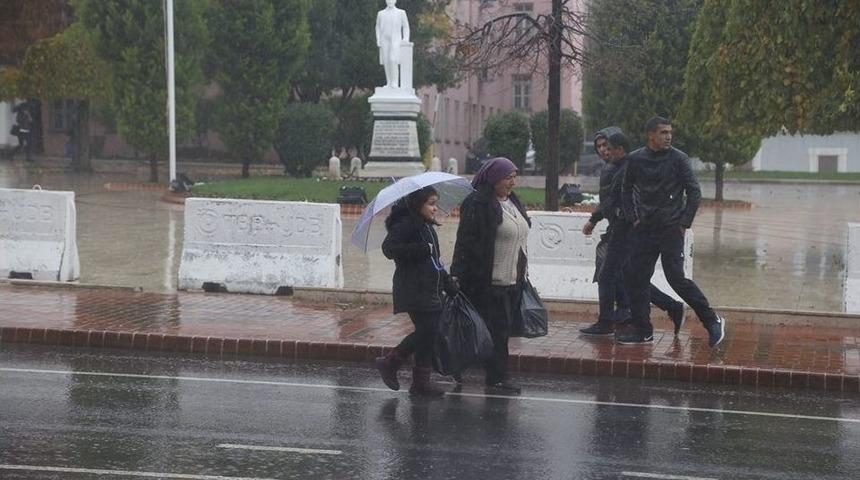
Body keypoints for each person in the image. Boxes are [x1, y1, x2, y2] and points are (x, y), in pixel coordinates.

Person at [621, 116, 726, 346]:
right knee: (636, 278)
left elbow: (694, 192)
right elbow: (626, 190)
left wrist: (684, 223)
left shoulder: (679, 159)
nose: (668, 136)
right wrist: (633, 218)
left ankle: (712, 320)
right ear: (650, 135)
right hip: (644, 230)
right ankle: (643, 330)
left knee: (676, 279)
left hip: (670, 230)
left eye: (670, 132)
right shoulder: (636, 159)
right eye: (663, 132)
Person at [579, 131, 684, 336]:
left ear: (619, 148)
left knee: (608, 275)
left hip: (626, 230)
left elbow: (621, 199)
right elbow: (611, 200)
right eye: (600, 147)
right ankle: (670, 306)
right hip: (620, 228)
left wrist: (597, 218)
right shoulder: (614, 167)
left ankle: (607, 322)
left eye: (607, 147)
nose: (603, 151)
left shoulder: (628, 166)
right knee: (630, 278)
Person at [451, 157, 530, 395]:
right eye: (507, 177)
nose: (512, 182)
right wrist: (457, 273)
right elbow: (464, 241)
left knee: (499, 331)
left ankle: (484, 371)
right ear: (493, 179)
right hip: (487, 281)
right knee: (493, 331)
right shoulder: (478, 203)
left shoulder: (512, 201)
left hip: (512, 280)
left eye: (514, 177)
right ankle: (495, 377)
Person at [375, 186, 458, 397]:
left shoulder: (426, 226)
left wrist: (447, 283)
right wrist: (421, 249)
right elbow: (389, 249)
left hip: (430, 287)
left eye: (435, 203)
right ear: (417, 204)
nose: (435, 208)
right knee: (428, 331)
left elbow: (434, 261)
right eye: (431, 203)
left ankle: (421, 383)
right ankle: (390, 362)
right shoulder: (406, 224)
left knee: (429, 335)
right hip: (414, 288)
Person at [376, 0, 410, 88]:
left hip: (395, 39)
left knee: (393, 59)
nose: (390, 1)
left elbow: (405, 26)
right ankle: (389, 82)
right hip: (384, 39)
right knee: (386, 61)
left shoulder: (401, 13)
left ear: (395, 1)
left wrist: (405, 39)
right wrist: (378, 39)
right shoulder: (381, 13)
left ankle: (395, 82)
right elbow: (377, 27)